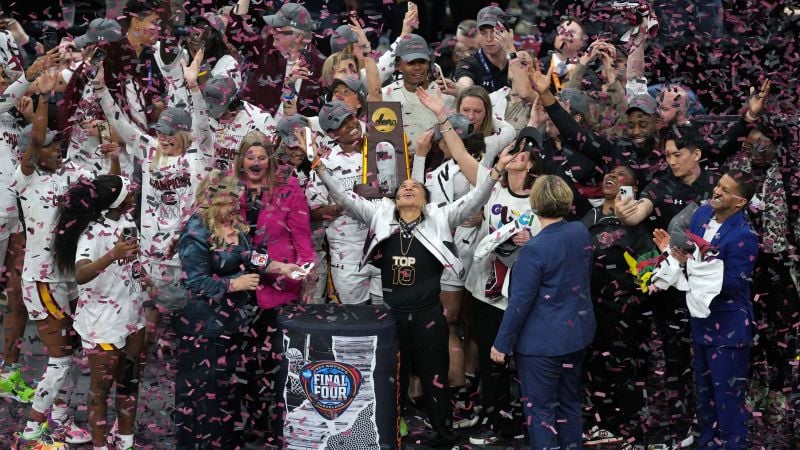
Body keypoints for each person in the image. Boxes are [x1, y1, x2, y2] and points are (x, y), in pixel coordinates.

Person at [304, 124, 515, 448]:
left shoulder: (439, 218)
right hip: (392, 317)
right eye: (403, 187)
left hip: (429, 316)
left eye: (414, 187)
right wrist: (319, 167)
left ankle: (445, 435)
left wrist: (497, 170)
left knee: (436, 379)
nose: (407, 188)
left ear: (425, 199)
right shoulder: (379, 214)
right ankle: (389, 431)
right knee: (393, 380)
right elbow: (344, 198)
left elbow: (475, 199)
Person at [174, 170, 302, 449]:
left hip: (235, 324)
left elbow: (251, 256)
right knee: (207, 392)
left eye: (236, 200)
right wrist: (236, 284)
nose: (235, 206)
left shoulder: (233, 225)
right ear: (212, 199)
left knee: (229, 391)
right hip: (205, 329)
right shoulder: (195, 232)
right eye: (229, 201)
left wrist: (282, 267)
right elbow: (196, 282)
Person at [95, 50, 212, 347]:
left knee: (187, 312)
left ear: (183, 134)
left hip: (185, 250)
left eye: (170, 133)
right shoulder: (149, 150)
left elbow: (202, 126)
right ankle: (148, 356)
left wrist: (194, 88)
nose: (164, 137)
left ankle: (183, 353)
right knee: (149, 311)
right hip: (151, 250)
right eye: (161, 131)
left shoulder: (199, 156)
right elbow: (120, 122)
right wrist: (100, 89)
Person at [13, 71, 104, 448]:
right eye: (50, 146)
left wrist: (109, 143)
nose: (57, 149)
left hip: (69, 278)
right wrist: (43, 99)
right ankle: (31, 433)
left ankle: (61, 418)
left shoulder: (72, 174)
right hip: (42, 281)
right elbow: (36, 140)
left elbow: (108, 188)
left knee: (71, 351)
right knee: (61, 359)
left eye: (57, 144)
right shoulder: (25, 179)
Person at [651, 170, 760, 450]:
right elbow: (689, 253)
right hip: (700, 322)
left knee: (727, 399)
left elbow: (733, 284)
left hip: (729, 329)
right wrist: (671, 256)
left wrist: (690, 267)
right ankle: (707, 443)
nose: (717, 191)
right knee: (705, 395)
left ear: (740, 202)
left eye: (726, 190)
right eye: (718, 185)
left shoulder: (745, 235)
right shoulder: (701, 215)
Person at [491, 174, 596, 450]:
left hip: (542, 345)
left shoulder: (534, 250)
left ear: (534, 204)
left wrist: (501, 343)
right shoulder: (579, 231)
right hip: (576, 335)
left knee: (541, 411)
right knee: (569, 402)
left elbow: (520, 303)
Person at [51, 175, 147, 450]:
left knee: (129, 384)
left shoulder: (128, 223)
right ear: (118, 201)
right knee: (100, 391)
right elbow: (80, 274)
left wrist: (147, 283)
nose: (134, 195)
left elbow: (131, 264)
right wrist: (112, 255)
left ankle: (125, 442)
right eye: (129, 193)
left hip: (133, 318)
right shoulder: (91, 232)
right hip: (102, 323)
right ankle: (100, 445)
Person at [233, 130, 315, 446]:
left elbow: (302, 237)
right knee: (243, 359)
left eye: (261, 157)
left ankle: (280, 422)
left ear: (270, 160)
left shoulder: (289, 188)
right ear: (241, 160)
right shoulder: (229, 189)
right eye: (249, 157)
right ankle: (251, 422)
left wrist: (306, 273)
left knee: (276, 359)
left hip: (279, 287)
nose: (255, 163)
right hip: (239, 286)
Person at [463, 128, 543, 445]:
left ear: (531, 163)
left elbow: (554, 242)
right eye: (513, 150)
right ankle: (494, 419)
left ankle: (521, 421)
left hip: (520, 297)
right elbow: (461, 155)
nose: (516, 155)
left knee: (519, 361)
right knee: (487, 359)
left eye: (524, 153)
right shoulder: (493, 188)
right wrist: (442, 116)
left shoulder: (540, 199)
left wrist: (532, 240)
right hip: (485, 291)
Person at [581, 165, 658, 445]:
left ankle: (630, 431)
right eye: (609, 173)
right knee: (594, 368)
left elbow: (650, 271)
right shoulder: (589, 217)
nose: (611, 177)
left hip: (624, 313)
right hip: (589, 309)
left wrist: (634, 295)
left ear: (633, 189)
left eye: (621, 175)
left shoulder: (637, 228)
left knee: (624, 371)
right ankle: (602, 423)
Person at [0, 50, 54, 404]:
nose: (5, 83)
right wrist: (29, 74)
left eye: (5, 77)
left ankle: (8, 372)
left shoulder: (9, 119)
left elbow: (36, 146)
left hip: (17, 217)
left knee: (17, 294)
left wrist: (32, 116)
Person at [304, 101, 385, 304]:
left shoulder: (382, 150)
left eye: (351, 117)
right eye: (342, 123)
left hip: (384, 246)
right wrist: (345, 204)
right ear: (332, 134)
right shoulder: (325, 163)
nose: (351, 124)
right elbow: (313, 212)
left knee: (386, 313)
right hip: (347, 255)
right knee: (355, 315)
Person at [227, 1, 325, 116]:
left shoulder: (320, 66)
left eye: (279, 28)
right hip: (254, 122)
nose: (272, 31)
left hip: (294, 125)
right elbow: (235, 32)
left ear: (298, 37)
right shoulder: (268, 48)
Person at [381, 33, 455, 155]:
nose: (417, 67)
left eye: (422, 61)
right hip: (401, 162)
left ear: (429, 62)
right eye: (411, 62)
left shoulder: (446, 95)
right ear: (399, 64)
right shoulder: (385, 96)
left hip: (439, 161)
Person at [454, 6, 513, 93]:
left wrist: (510, 49)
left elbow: (525, 92)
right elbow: (465, 84)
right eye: (483, 32)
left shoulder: (522, 58)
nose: (489, 39)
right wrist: (457, 89)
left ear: (507, 32)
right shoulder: (468, 63)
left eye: (495, 32)